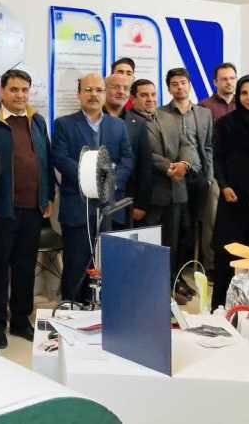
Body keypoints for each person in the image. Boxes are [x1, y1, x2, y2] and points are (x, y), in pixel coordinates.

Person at [0, 69, 54, 348]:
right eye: (14, 89)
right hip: (2, 210)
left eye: (24, 89)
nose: (20, 95)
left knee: (25, 269)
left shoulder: (37, 121)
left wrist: (48, 196)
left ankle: (21, 321)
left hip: (33, 209)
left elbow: (45, 161)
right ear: (1, 91)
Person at [52, 73, 133, 304]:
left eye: (98, 90)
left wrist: (111, 182)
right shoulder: (64, 124)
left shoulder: (117, 126)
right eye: (88, 90)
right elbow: (60, 158)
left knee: (104, 266)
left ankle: (98, 312)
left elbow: (127, 159)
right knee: (76, 266)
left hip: (108, 209)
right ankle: (71, 310)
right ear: (79, 94)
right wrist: (92, 176)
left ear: (105, 94)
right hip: (77, 208)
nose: (93, 95)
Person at [130, 79, 198, 299]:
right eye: (144, 95)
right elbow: (141, 155)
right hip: (150, 196)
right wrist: (168, 166)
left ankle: (170, 284)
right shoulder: (129, 121)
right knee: (149, 245)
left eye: (153, 94)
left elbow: (187, 143)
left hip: (176, 192)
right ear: (133, 98)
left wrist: (184, 164)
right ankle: (149, 290)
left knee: (173, 244)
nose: (150, 99)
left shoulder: (168, 117)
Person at [211, 75, 249, 307]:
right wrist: (224, 185)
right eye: (244, 93)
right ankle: (221, 307)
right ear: (238, 96)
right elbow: (218, 157)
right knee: (227, 253)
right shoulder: (226, 123)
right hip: (232, 197)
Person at [162, 68, 213, 270]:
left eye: (183, 83)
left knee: (194, 225)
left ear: (189, 85)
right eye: (174, 84)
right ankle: (173, 271)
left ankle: (188, 268)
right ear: (169, 89)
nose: (179, 87)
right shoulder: (160, 114)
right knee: (176, 227)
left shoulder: (204, 113)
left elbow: (208, 147)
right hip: (174, 177)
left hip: (198, 177)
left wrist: (209, 177)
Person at [197, 62, 238, 273]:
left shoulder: (244, 102)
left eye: (232, 78)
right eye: (224, 79)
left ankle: (236, 261)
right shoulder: (204, 107)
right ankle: (211, 264)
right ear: (215, 82)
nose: (228, 82)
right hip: (214, 169)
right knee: (212, 218)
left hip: (240, 169)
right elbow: (201, 142)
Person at [104, 69, 152, 225]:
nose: (121, 92)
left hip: (127, 202)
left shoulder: (138, 123)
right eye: (115, 87)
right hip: (96, 202)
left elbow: (145, 166)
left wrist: (141, 204)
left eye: (125, 88)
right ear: (104, 90)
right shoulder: (93, 119)